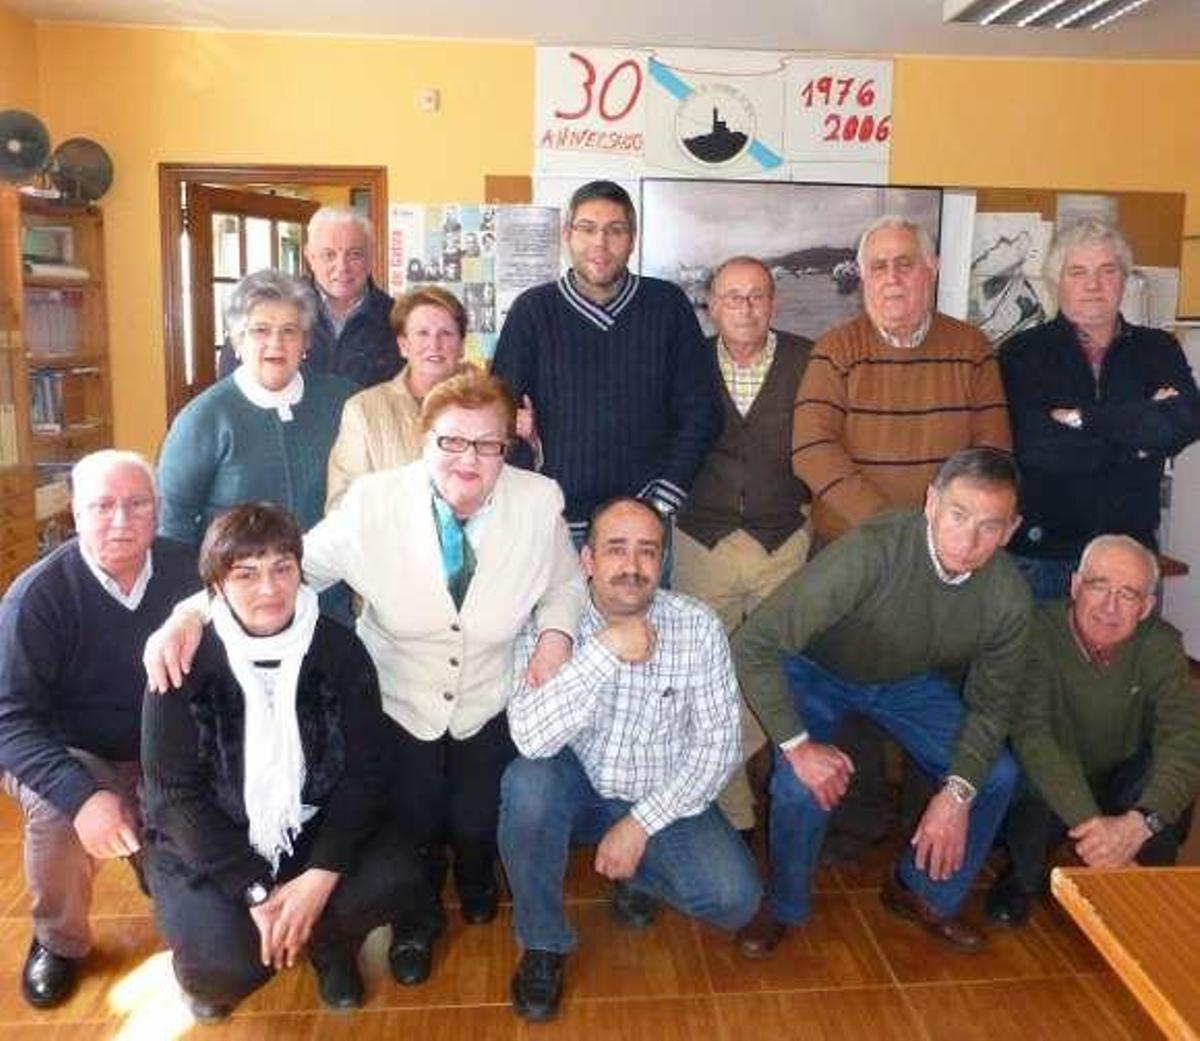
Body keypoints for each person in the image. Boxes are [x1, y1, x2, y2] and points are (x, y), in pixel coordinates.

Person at [144, 370, 586, 990]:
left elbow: (566, 581)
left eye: (488, 445)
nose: (469, 459)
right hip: (400, 696)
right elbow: (286, 574)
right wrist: (189, 614)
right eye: (451, 441)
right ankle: (419, 920)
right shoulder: (375, 502)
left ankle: (480, 878)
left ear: (506, 448)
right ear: (423, 436)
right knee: (415, 824)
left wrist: (556, 635)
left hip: (489, 693)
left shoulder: (538, 501)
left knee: (474, 817)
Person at [731, 448, 1031, 956]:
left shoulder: (1009, 597)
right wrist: (800, 748)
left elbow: (992, 706)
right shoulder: (873, 549)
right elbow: (753, 643)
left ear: (1010, 530)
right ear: (931, 503)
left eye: (989, 526)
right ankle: (782, 905)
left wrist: (956, 793)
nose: (969, 538)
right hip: (816, 671)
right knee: (801, 787)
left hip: (905, 682)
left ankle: (920, 891)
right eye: (958, 515)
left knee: (994, 775)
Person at [141, 504, 426, 1021]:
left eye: (282, 569)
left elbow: (366, 772)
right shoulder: (184, 656)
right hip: (217, 844)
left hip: (310, 831)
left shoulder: (339, 649)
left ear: (301, 571)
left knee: (400, 875)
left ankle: (329, 947)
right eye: (245, 574)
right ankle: (255, 938)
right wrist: (255, 890)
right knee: (220, 969)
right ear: (216, 586)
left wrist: (319, 876)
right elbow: (171, 794)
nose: (268, 589)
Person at [791, 214, 1013, 860]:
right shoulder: (835, 349)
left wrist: (942, 540)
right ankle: (856, 825)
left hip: (954, 563)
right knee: (849, 688)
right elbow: (812, 450)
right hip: (853, 559)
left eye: (905, 263)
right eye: (879, 266)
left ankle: (929, 834)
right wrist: (896, 537)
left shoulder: (972, 349)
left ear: (932, 270)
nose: (892, 277)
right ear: (860, 277)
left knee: (940, 693)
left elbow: (992, 457)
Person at [499, 498, 761, 1022]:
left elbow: (718, 745)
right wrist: (604, 651)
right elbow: (529, 737)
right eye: (616, 549)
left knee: (736, 900)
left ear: (663, 561)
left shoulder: (698, 626)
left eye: (647, 551)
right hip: (575, 791)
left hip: (657, 792)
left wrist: (640, 825)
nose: (633, 565)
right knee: (528, 785)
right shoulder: (550, 629)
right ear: (588, 560)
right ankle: (543, 944)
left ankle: (634, 872)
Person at [0, 451, 198, 1009]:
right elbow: (9, 720)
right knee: (61, 812)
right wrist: (84, 796)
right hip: (68, 750)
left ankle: (154, 860)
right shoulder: (37, 598)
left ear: (158, 510)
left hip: (165, 751)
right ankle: (57, 942)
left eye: (137, 504)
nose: (121, 520)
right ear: (75, 513)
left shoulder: (191, 573)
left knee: (197, 912)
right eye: (102, 506)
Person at [491, 179, 722, 546]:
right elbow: (497, 417)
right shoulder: (532, 311)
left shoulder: (668, 307)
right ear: (567, 235)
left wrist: (662, 501)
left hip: (642, 528)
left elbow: (701, 413)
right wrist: (528, 490)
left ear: (632, 239)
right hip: (553, 528)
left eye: (615, 230)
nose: (600, 243)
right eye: (587, 229)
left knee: (643, 608)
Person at [986, 535, 1200, 927]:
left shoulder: (1163, 644)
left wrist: (1140, 823)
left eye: (1129, 594)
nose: (1109, 606)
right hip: (1053, 772)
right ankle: (1022, 877)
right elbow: (1034, 737)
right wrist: (1100, 833)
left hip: (1120, 776)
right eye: (1098, 586)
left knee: (1167, 776)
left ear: (1148, 607)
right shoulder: (1033, 631)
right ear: (1074, 585)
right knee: (1025, 771)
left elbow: (1185, 738)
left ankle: (1139, 884)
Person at [672, 255, 813, 839]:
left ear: (774, 304)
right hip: (699, 541)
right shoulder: (686, 362)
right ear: (711, 305)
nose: (746, 308)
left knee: (778, 671)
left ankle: (703, 782)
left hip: (783, 540)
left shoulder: (812, 360)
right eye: (733, 297)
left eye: (757, 296)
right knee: (704, 679)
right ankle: (735, 817)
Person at [1000, 218, 1200, 600]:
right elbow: (1038, 447)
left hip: (1132, 552)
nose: (1093, 285)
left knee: (1127, 660)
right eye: (1078, 272)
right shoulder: (1022, 353)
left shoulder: (1158, 349)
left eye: (1107, 271)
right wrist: (1137, 439)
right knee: (1040, 661)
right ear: (1057, 281)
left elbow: (1184, 422)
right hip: (1044, 557)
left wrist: (1083, 420)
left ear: (1124, 279)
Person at [159, 269, 356, 544]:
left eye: (289, 331)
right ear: (237, 341)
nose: (276, 343)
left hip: (331, 581)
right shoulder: (204, 418)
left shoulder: (342, 400)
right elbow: (172, 523)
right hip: (239, 581)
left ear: (306, 342)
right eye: (260, 330)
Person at [219, 206, 399, 388]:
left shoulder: (397, 320)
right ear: (310, 256)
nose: (342, 266)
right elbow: (231, 386)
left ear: (371, 257)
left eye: (355, 254)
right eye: (329, 254)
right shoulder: (265, 310)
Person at [326, 286, 468, 509]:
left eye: (446, 333)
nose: (434, 344)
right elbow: (342, 506)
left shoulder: (489, 409)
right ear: (403, 346)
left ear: (461, 346)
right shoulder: (363, 410)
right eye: (422, 333)